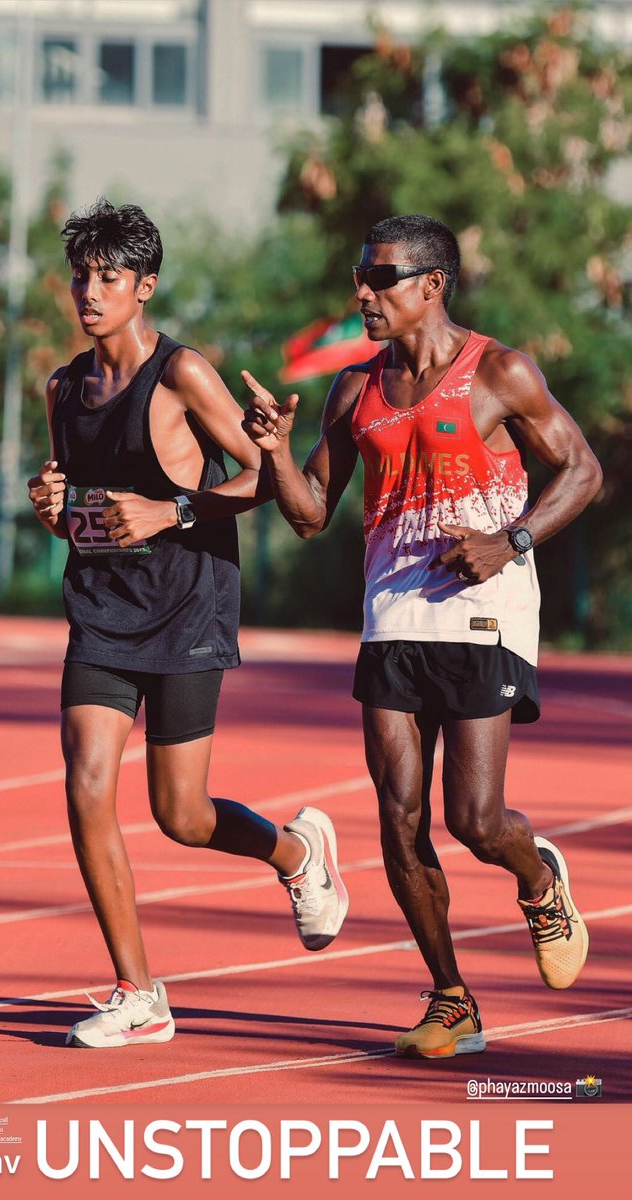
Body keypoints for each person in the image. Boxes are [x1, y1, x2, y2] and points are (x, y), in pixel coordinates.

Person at [241, 213, 602, 1060]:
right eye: (360, 277)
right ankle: (451, 998)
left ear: (432, 284)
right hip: (391, 617)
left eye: (382, 278)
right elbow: (306, 515)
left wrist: (509, 539)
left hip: (486, 613)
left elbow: (582, 469)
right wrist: (275, 453)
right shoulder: (352, 390)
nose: (363, 293)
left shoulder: (499, 371)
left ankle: (538, 876)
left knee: (473, 820)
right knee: (398, 824)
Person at [27, 199, 348, 1050]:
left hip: (187, 604)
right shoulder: (62, 388)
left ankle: (295, 853)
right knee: (86, 786)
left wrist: (169, 511)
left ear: (145, 287)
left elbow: (261, 479)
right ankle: (139, 992)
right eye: (82, 277)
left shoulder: (182, 375)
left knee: (181, 815)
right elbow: (79, 513)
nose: (89, 293)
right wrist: (52, 505)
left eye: (109, 278)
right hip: (99, 612)